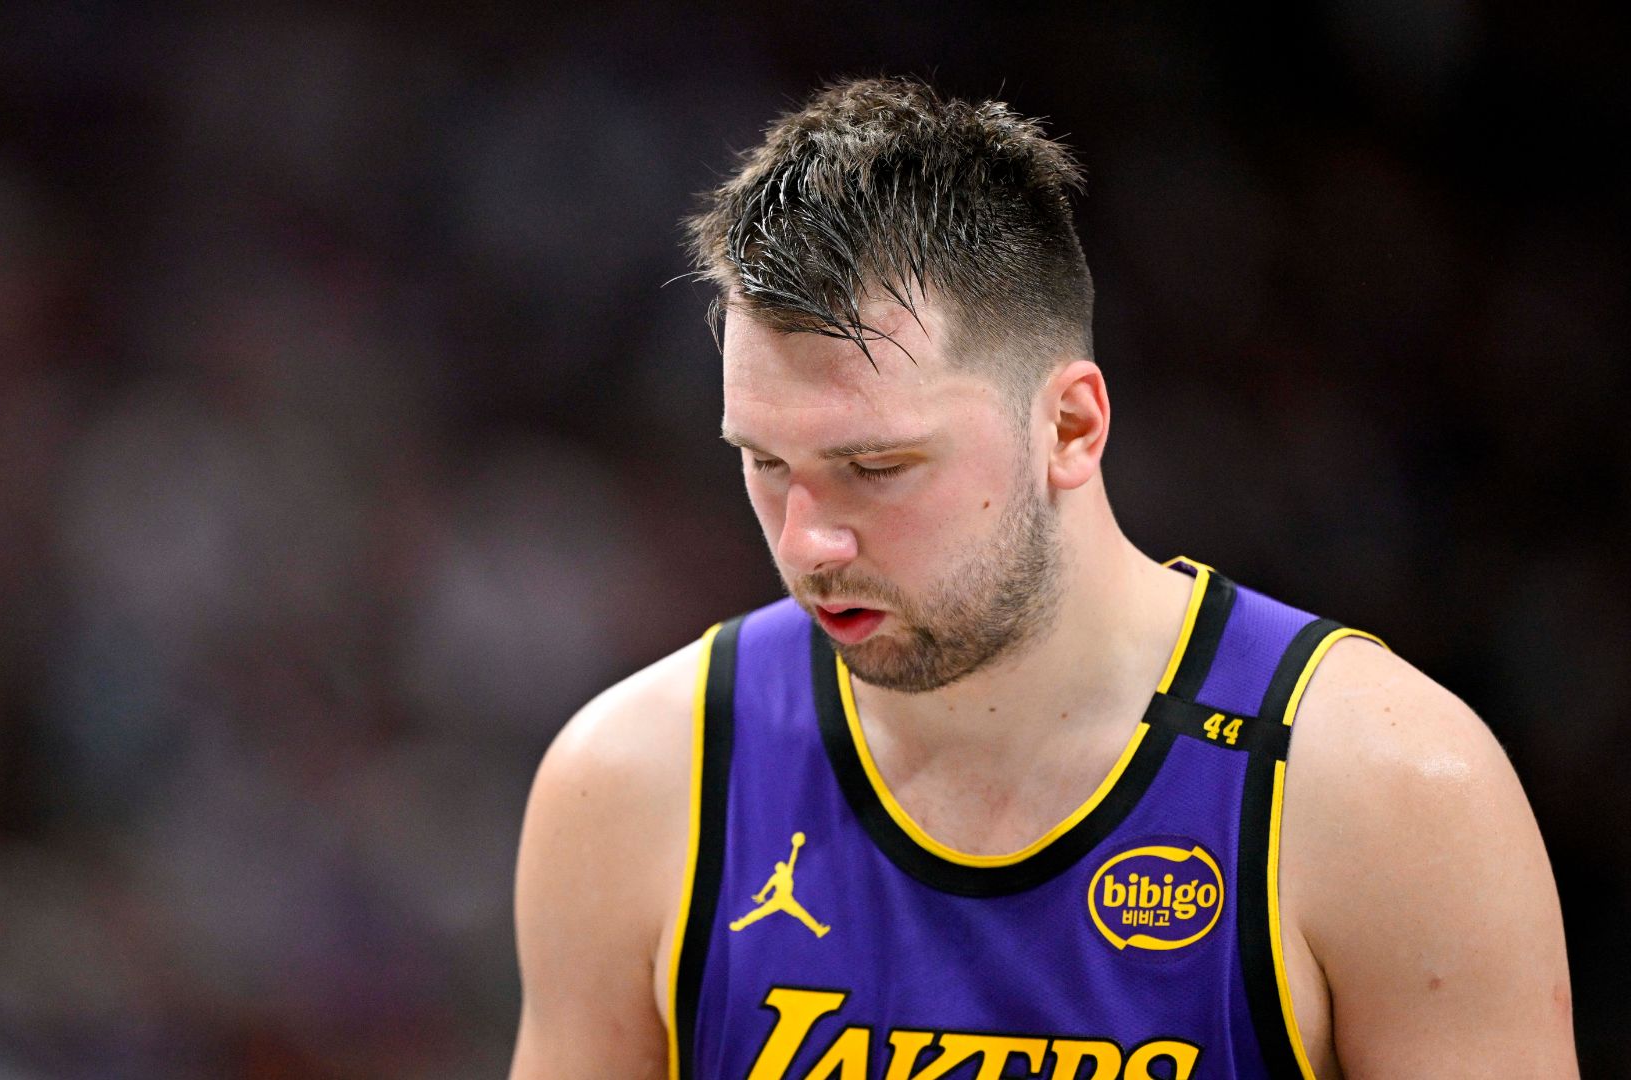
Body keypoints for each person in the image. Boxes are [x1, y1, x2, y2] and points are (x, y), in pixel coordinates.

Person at [509, 77, 1576, 1079]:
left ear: (1070, 425)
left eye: (876, 468)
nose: (809, 541)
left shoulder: (1388, 791)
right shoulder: (636, 782)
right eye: (765, 463)